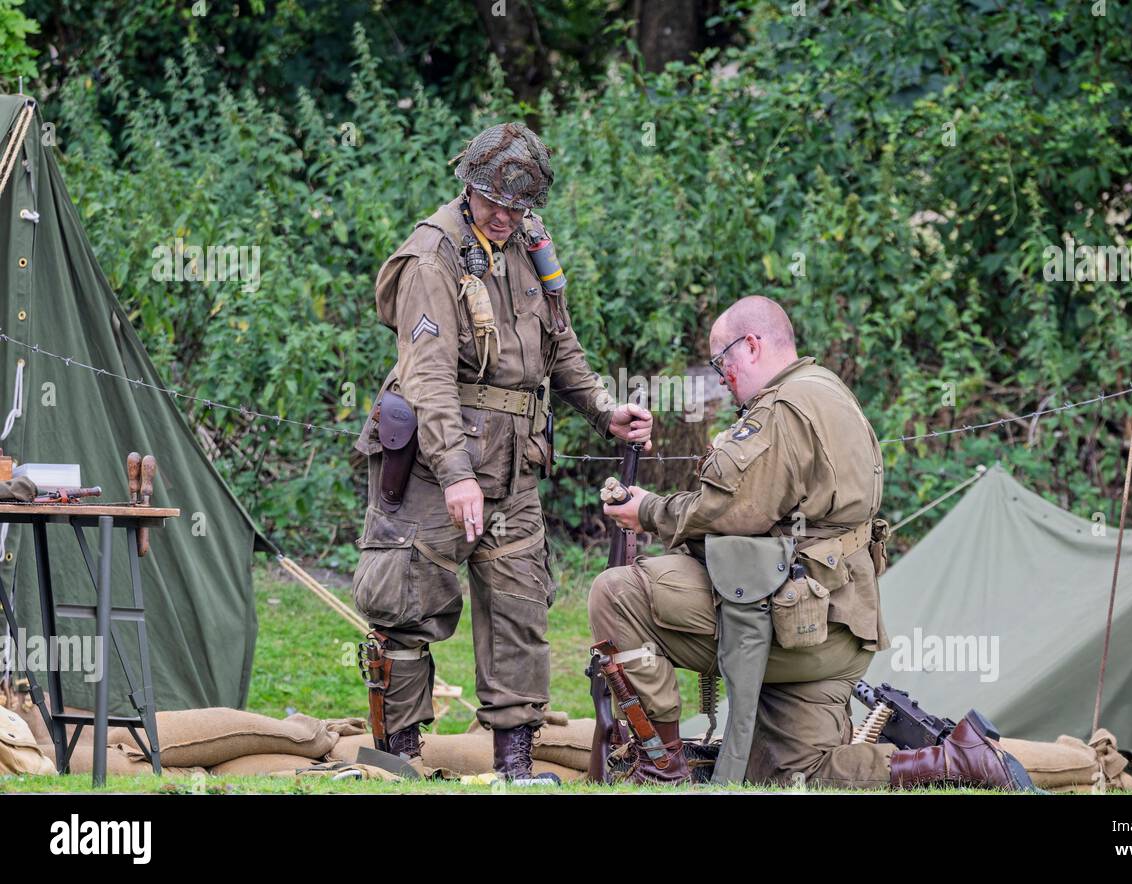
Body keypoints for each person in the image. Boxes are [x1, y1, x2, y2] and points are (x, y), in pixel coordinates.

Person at [592, 295, 1028, 789]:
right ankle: (956, 762)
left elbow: (731, 512)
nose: (720, 376)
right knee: (797, 773)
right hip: (836, 627)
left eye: (722, 362)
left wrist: (646, 510)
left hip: (781, 619)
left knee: (617, 593)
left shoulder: (781, 409)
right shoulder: (830, 391)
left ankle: (660, 767)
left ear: (752, 346)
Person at [351, 122, 652, 780]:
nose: (503, 217)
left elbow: (560, 344)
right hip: (434, 465)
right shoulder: (434, 254)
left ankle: (515, 770)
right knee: (405, 607)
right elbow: (426, 378)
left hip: (515, 467)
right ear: (469, 187)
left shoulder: (529, 245)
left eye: (516, 207)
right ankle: (397, 763)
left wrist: (605, 411)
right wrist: (456, 474)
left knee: (520, 610)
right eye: (493, 203)